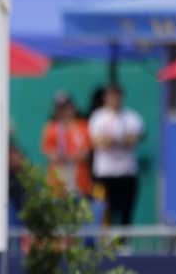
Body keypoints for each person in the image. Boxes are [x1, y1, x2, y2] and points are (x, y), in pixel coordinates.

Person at [88, 84, 143, 227]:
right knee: (101, 210)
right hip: (104, 174)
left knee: (126, 211)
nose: (115, 99)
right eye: (111, 96)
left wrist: (113, 139)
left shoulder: (132, 117)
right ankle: (102, 244)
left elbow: (134, 140)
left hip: (126, 173)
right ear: (106, 98)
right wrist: (121, 139)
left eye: (117, 95)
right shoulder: (97, 117)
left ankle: (124, 245)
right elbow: (98, 142)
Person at [41, 91, 92, 198]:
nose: (64, 111)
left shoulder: (83, 126)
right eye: (60, 108)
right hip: (57, 185)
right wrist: (71, 157)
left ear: (73, 107)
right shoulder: (51, 128)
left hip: (80, 184)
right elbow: (51, 155)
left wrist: (66, 157)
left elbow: (85, 154)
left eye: (67, 107)